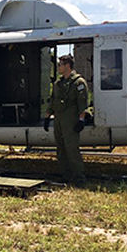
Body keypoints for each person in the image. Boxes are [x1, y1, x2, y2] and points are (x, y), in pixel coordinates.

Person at [44, 54, 89, 184]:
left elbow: (82, 103)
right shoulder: (58, 83)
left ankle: (79, 177)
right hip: (59, 120)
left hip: (71, 121)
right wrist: (47, 117)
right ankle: (66, 175)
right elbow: (53, 102)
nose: (58, 67)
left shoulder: (78, 83)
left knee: (72, 149)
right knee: (61, 149)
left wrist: (81, 120)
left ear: (67, 66)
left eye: (60, 65)